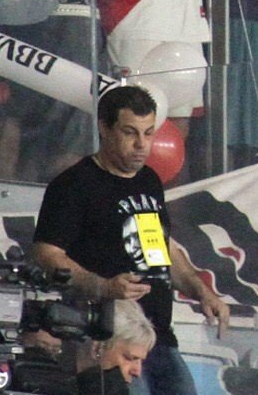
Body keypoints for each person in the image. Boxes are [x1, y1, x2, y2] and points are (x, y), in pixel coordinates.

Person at [31, 85, 230, 395]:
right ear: (104, 128)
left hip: (157, 335)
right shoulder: (74, 184)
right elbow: (47, 254)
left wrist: (202, 291)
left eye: (149, 133)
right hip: (105, 337)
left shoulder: (148, 181)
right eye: (130, 132)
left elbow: (159, 248)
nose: (142, 144)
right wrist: (102, 286)